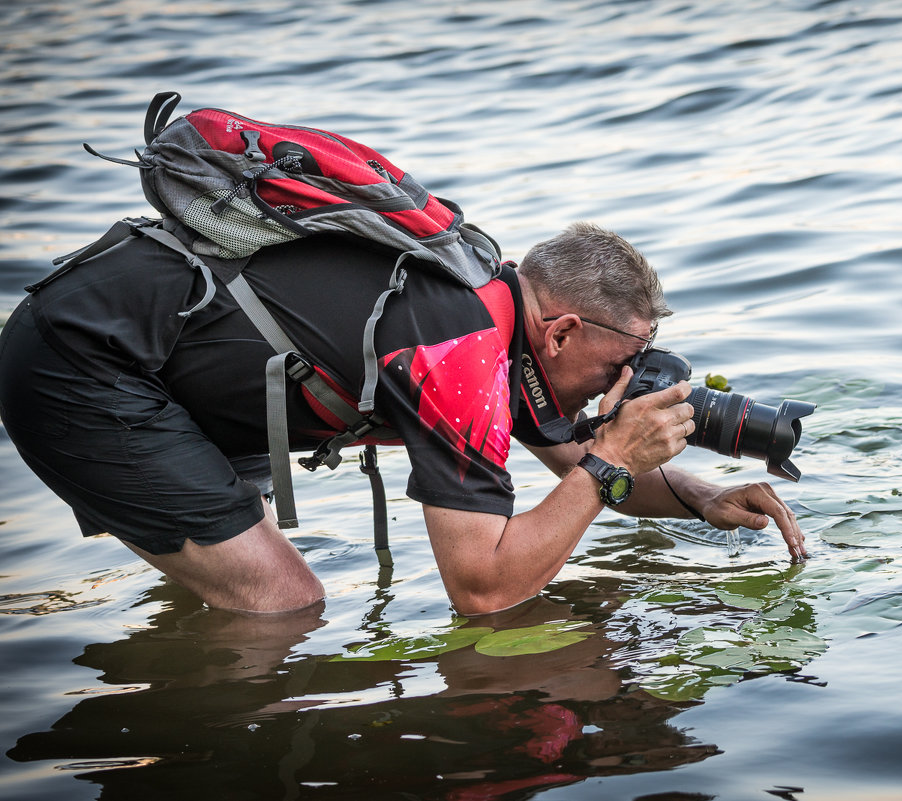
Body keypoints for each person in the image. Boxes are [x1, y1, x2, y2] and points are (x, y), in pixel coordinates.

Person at [0, 221, 805, 616]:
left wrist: (702, 497)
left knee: (214, 597)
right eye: (616, 363)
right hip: (85, 363)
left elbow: (575, 459)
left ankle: (194, 697)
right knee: (284, 603)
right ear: (560, 331)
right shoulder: (457, 353)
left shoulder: (496, 311)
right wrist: (611, 460)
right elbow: (484, 589)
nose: (621, 383)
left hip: (158, 353)